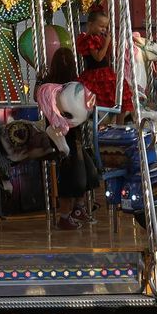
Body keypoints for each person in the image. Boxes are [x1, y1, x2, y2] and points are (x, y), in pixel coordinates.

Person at [43, 47, 98, 229]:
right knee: (73, 175)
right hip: (62, 135)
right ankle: (64, 216)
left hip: (74, 134)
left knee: (87, 172)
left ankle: (78, 208)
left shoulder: (72, 85)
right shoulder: (63, 86)